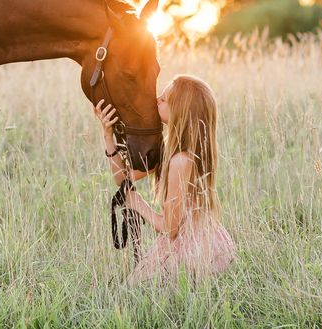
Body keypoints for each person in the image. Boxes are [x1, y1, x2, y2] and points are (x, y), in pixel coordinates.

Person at [93, 74, 236, 283]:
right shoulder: (172, 151)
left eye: (164, 99)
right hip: (201, 240)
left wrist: (137, 204)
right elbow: (123, 179)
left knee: (135, 289)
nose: (156, 100)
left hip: (191, 248)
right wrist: (108, 136)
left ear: (180, 110)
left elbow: (170, 229)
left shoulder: (181, 161)